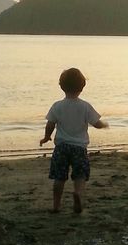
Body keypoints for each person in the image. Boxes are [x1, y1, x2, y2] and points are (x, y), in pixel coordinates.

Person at [40, 68, 108, 213]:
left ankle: (56, 206)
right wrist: (104, 125)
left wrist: (46, 137)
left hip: (61, 147)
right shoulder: (85, 106)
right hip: (79, 148)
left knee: (59, 178)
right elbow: (96, 123)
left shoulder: (57, 106)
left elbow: (50, 124)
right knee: (80, 175)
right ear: (82, 86)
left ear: (61, 86)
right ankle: (78, 194)